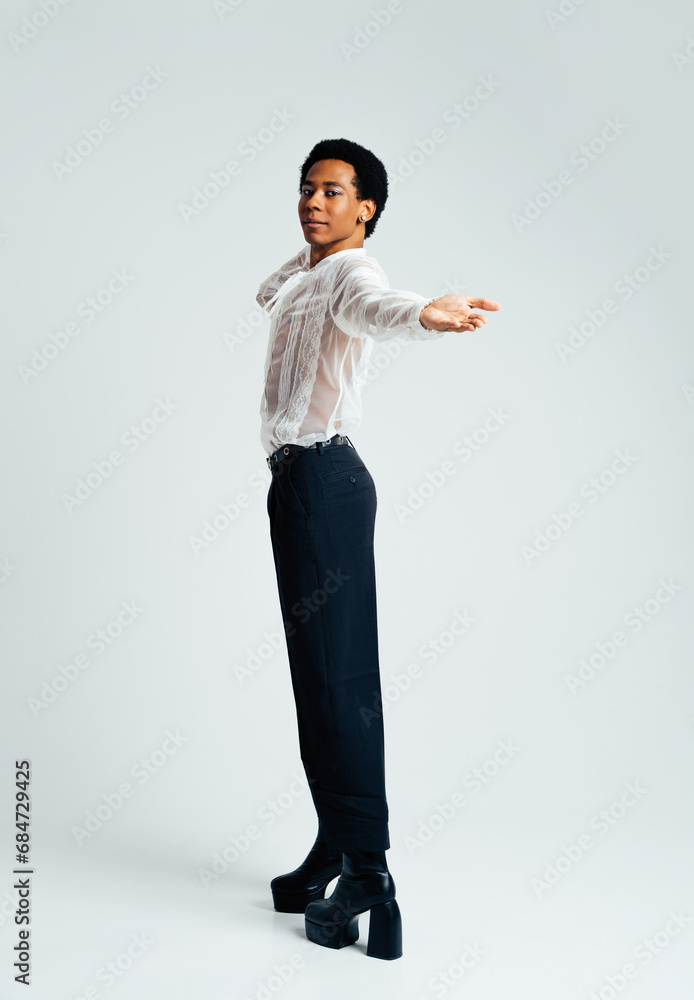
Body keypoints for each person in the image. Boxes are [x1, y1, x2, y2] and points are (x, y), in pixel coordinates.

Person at [258, 137, 500, 959]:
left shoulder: (353, 274)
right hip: (300, 486)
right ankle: (335, 842)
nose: (313, 201)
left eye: (333, 191)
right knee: (314, 677)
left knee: (340, 677)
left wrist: (423, 312)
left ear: (367, 208)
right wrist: (304, 261)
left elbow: (375, 304)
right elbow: (276, 291)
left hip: (323, 482)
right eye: (305, 188)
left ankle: (369, 871)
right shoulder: (308, 274)